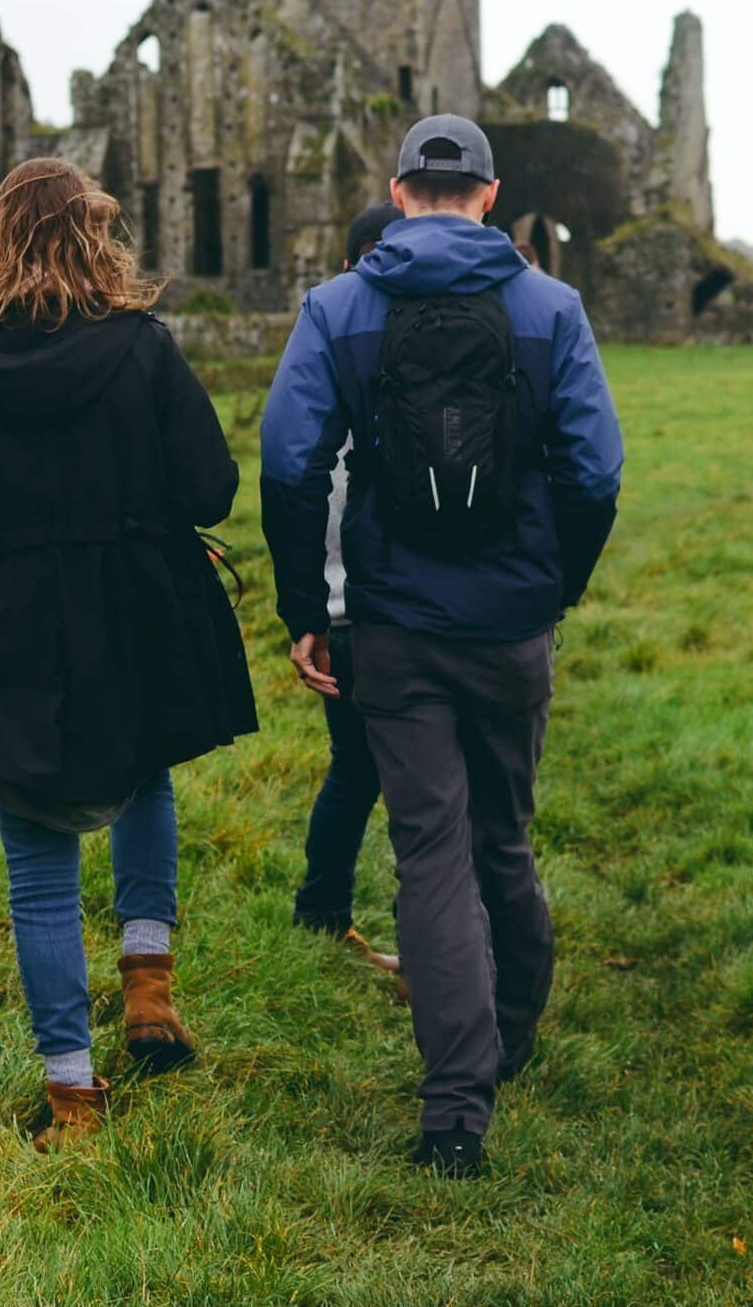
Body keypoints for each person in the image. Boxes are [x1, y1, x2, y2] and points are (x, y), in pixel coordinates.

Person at [260, 115, 624, 1178]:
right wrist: (556, 591)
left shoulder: (339, 305)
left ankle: (454, 1112)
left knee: (428, 856)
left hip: (394, 623)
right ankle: (510, 1035)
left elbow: (289, 464)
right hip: (511, 619)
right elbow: (594, 474)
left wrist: (304, 610)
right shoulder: (549, 306)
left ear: (397, 187)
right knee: (502, 838)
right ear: (490, 194)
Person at [0, 157, 256, 1151]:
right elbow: (209, 486)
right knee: (145, 770)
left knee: (38, 863)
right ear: (94, 236)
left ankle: (72, 1094)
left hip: (7, 623)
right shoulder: (141, 348)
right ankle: (149, 992)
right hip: (135, 605)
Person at [290, 202, 405, 976]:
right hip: (395, 607)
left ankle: (320, 913)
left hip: (344, 605)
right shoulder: (399, 358)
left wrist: (310, 607)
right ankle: (432, 939)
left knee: (357, 768)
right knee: (420, 782)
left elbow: (293, 479)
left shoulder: (326, 347)